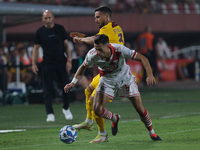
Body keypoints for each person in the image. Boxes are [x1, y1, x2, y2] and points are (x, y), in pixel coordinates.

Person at [64, 34, 162, 142]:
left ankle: (152, 132)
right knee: (97, 109)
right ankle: (114, 118)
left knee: (139, 108)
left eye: (100, 50)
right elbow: (82, 67)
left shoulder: (119, 49)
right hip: (107, 81)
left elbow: (143, 58)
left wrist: (150, 75)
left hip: (125, 79)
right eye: (96, 49)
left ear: (107, 46)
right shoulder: (92, 55)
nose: (98, 53)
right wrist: (73, 82)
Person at [70, 5, 124, 143]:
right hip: (106, 71)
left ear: (107, 16)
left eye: (98, 17)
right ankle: (89, 122)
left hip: (112, 74)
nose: (96, 20)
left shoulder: (106, 29)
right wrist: (84, 38)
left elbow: (96, 39)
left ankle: (103, 133)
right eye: (95, 17)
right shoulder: (115, 27)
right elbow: (97, 38)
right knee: (88, 91)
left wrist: (81, 39)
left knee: (93, 101)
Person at [32, 10, 73, 122]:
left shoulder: (60, 28)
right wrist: (33, 63)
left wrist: (69, 60)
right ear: (42, 19)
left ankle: (66, 108)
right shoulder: (40, 32)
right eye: (45, 18)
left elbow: (66, 45)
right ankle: (50, 113)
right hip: (47, 63)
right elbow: (36, 48)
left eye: (49, 17)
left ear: (53, 17)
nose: (48, 20)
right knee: (47, 89)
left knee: (66, 87)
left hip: (61, 62)